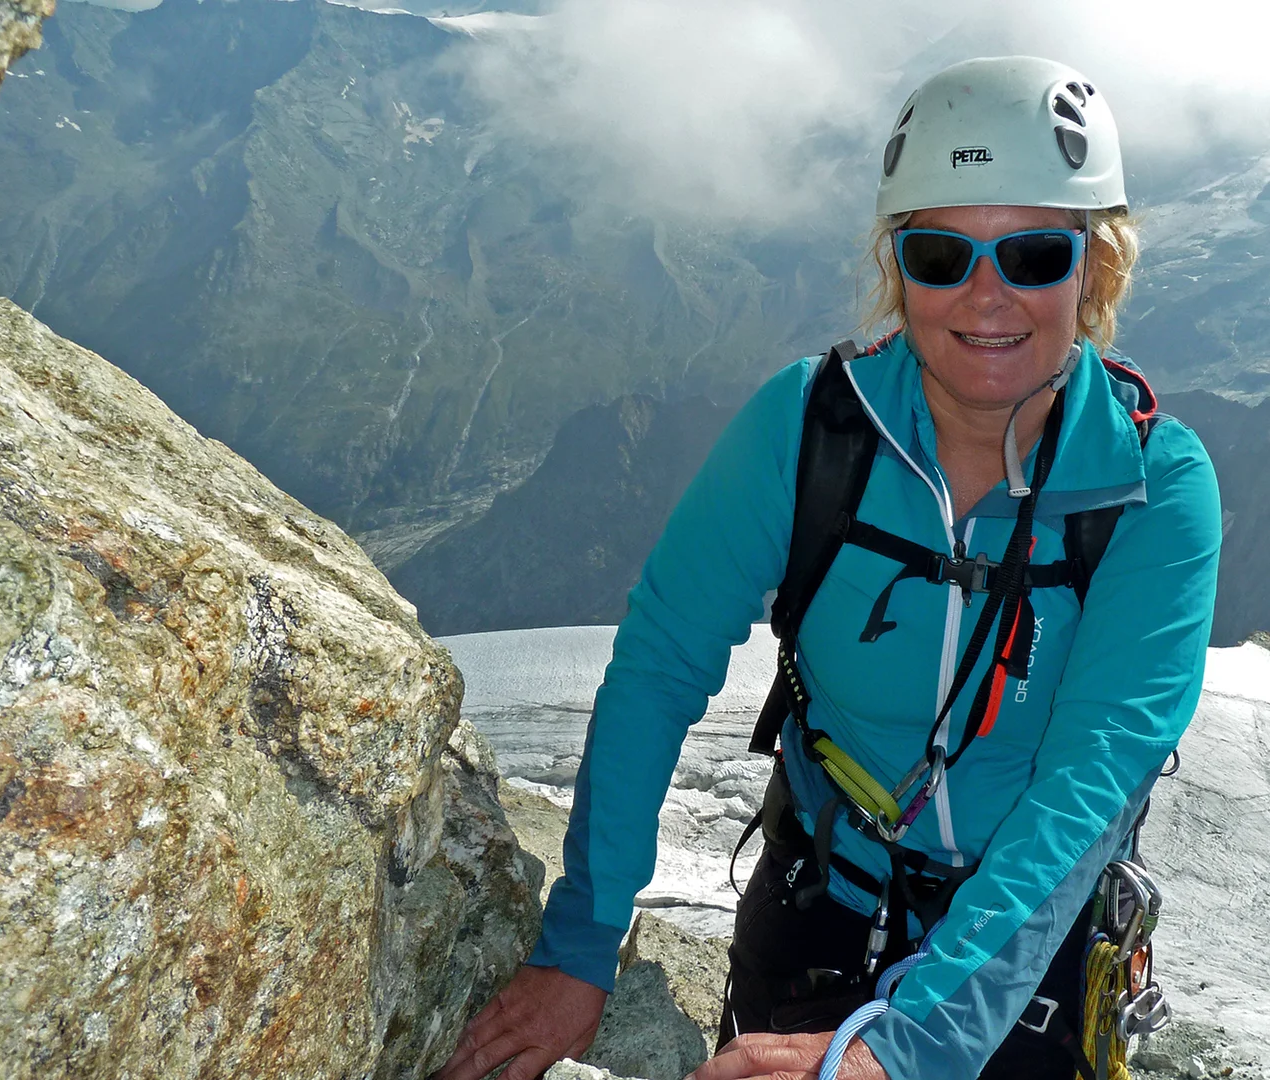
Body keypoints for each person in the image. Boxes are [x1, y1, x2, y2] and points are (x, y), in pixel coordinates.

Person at [437, 55, 1220, 1080]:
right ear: (899, 267)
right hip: (818, 912)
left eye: (1033, 254)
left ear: (1097, 268)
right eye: (942, 254)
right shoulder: (807, 430)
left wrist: (899, 1052)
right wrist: (578, 945)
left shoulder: (1155, 489)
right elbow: (661, 661)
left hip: (1029, 961)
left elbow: (1091, 788)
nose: (987, 297)